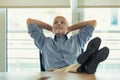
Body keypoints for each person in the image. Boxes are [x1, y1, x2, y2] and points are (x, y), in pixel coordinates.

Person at [27, 16, 109, 74]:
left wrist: (70, 28)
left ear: (67, 26)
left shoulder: (77, 40)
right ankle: (89, 62)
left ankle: (89, 62)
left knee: (77, 68)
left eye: (62, 22)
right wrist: (51, 28)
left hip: (74, 72)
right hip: (54, 73)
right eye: (56, 23)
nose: (59, 24)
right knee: (82, 68)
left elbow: (93, 23)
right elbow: (29, 21)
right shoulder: (44, 41)